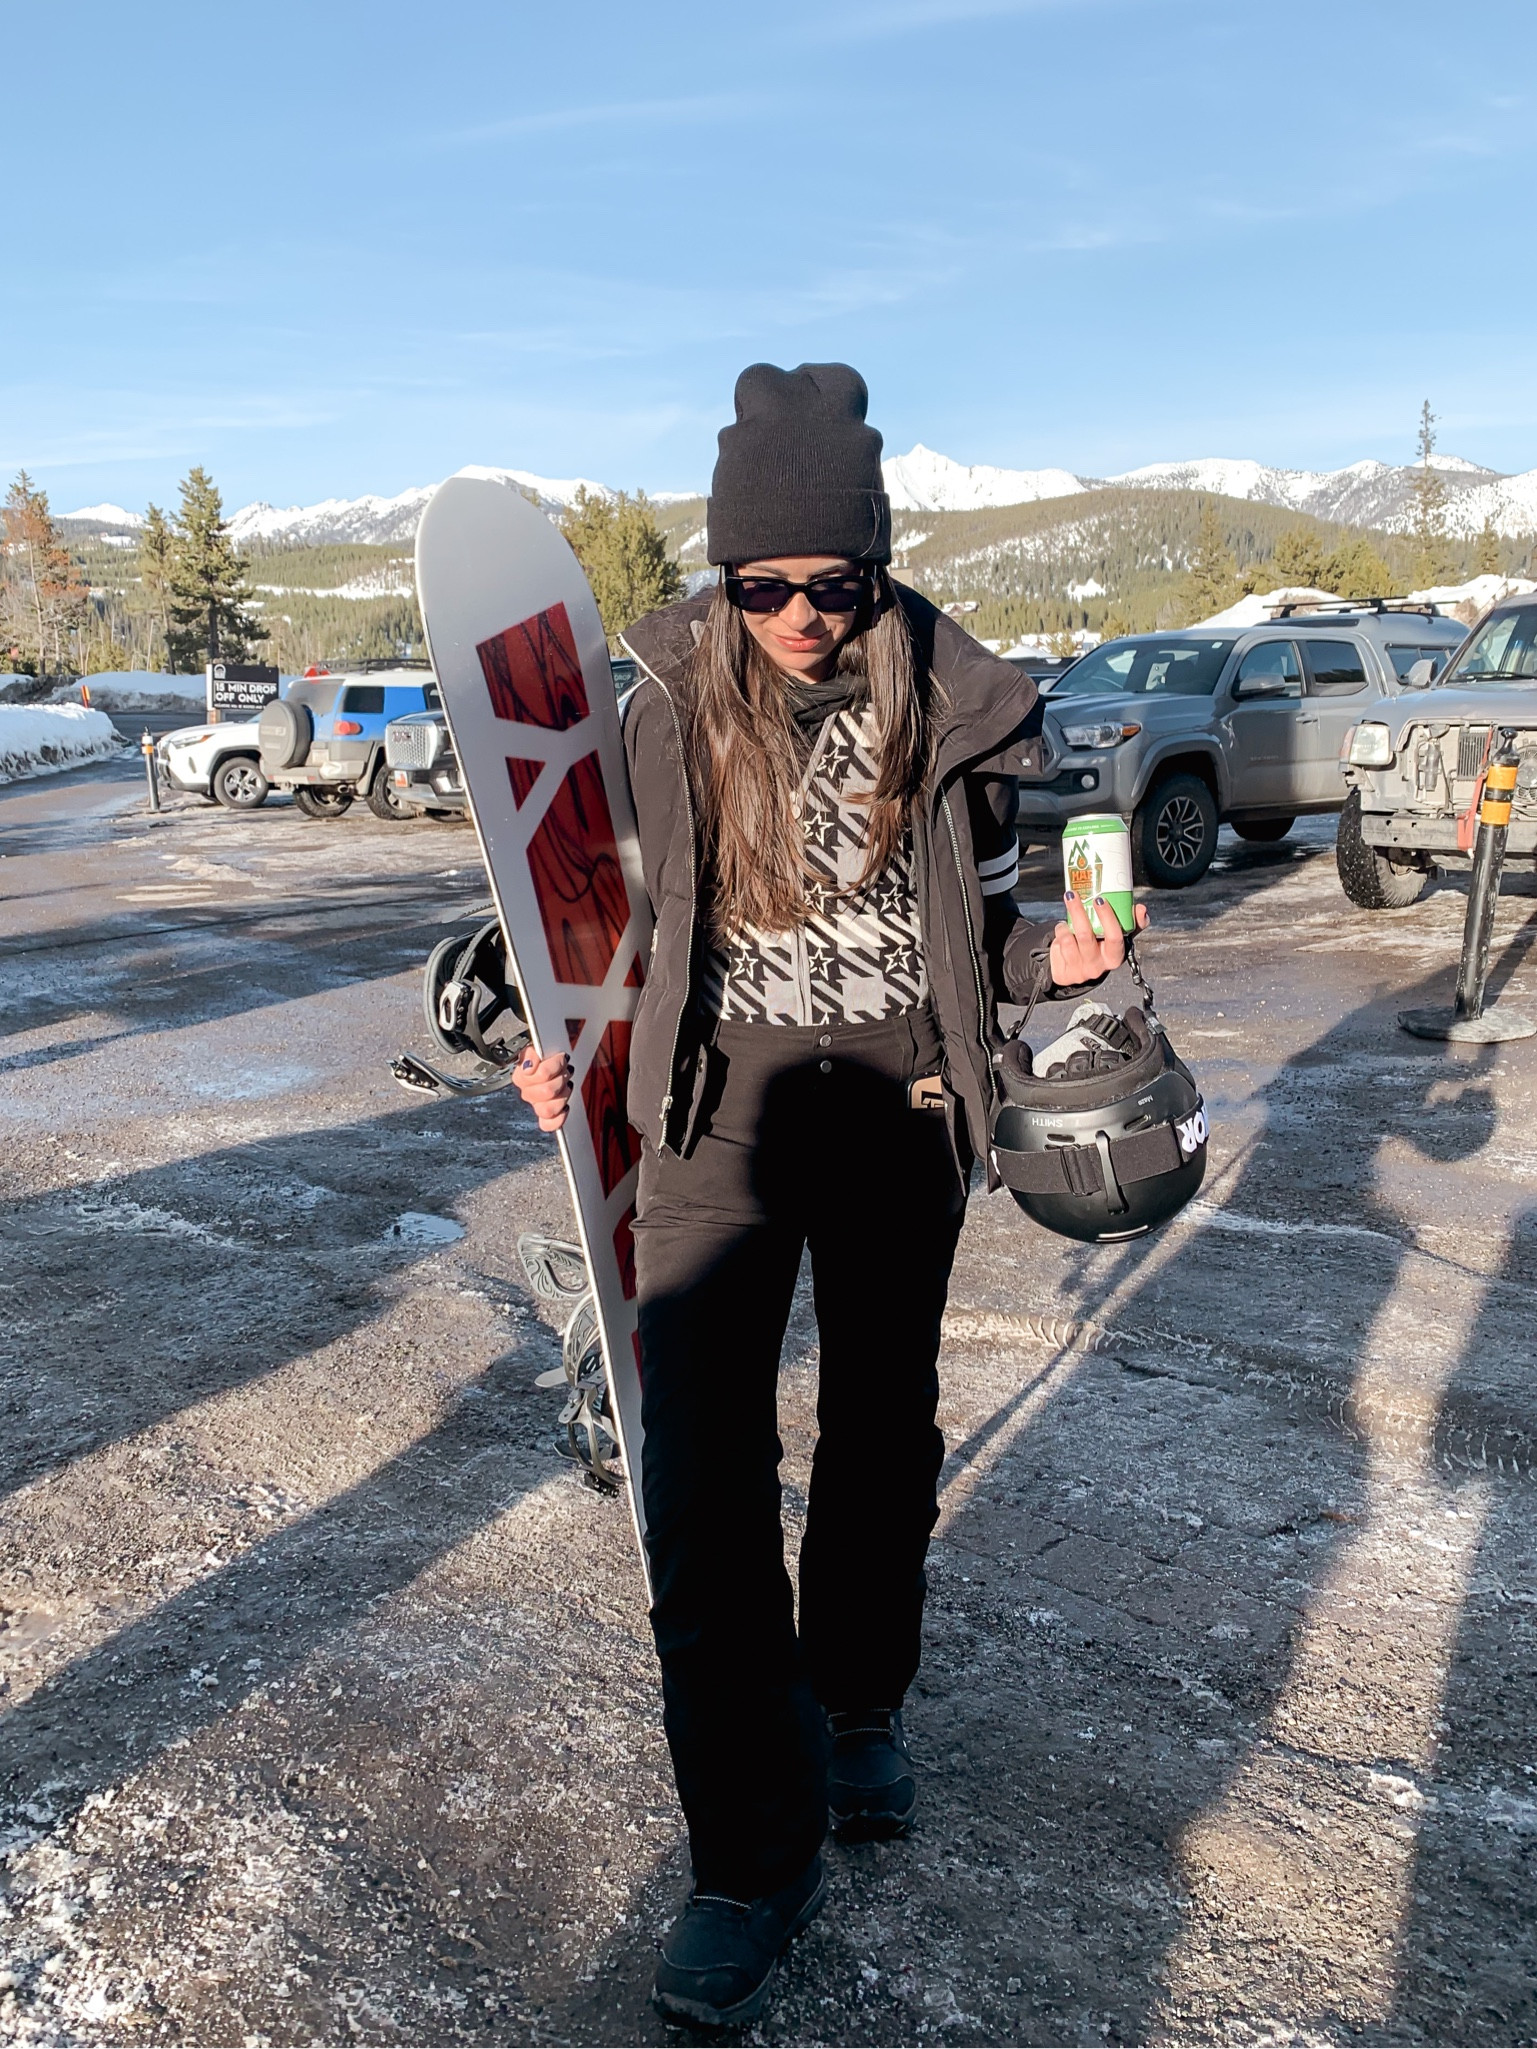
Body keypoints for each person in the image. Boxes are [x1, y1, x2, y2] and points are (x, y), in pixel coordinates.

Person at [512, 362, 1146, 2028]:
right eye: (761, 582)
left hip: (898, 1103)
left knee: (879, 1431)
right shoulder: (657, 696)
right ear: (724, 574)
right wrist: (561, 1052)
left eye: (832, 580)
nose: (798, 612)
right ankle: (747, 1851)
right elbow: (596, 917)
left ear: (878, 561)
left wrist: (1053, 958)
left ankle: (858, 1703)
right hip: (711, 1113)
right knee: (700, 1477)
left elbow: (990, 927)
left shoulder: (957, 704)